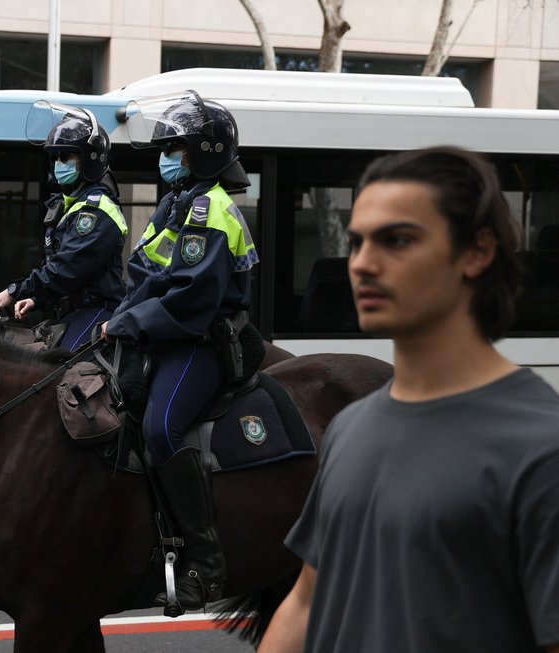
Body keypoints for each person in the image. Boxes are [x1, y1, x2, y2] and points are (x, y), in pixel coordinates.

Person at [257, 146, 559, 653]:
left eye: (397, 240)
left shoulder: (540, 446)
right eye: (356, 243)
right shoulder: (350, 426)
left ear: (477, 252)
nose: (361, 264)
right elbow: (306, 603)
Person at [100, 91, 259, 613]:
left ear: (205, 153)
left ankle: (204, 561)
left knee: (159, 429)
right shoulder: (175, 205)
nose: (167, 157)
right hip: (163, 335)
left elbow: (191, 298)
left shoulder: (212, 209)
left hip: (200, 341)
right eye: (166, 149)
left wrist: (129, 322)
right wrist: (122, 318)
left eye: (178, 149)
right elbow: (145, 274)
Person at [0, 104, 128, 351]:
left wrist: (16, 290)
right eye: (55, 157)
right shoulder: (69, 204)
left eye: (66, 156)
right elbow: (54, 266)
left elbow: (68, 268)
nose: (58, 164)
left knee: (57, 372)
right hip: (72, 311)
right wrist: (36, 298)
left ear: (90, 159)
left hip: (98, 311)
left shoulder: (97, 210)